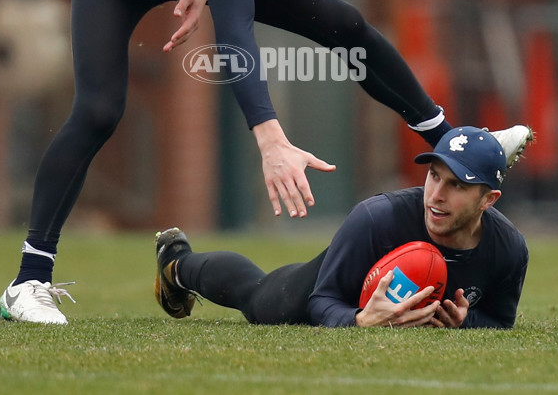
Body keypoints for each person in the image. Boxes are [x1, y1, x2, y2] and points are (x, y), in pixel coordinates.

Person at [0, 0, 532, 324]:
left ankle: (452, 144)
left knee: (341, 24)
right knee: (98, 110)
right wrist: (270, 138)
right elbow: (233, 26)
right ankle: (27, 282)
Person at [154, 126, 529, 329]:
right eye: (434, 176)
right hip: (339, 289)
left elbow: (498, 320)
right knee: (257, 299)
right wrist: (361, 319)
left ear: (489, 200)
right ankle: (176, 262)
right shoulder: (376, 218)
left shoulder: (509, 249)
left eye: (458, 185)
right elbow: (322, 302)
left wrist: (463, 322)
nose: (436, 195)